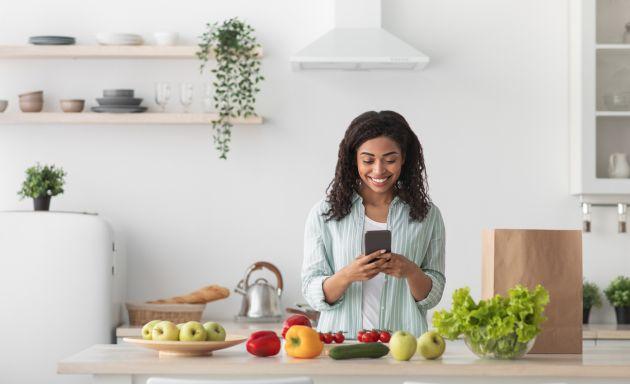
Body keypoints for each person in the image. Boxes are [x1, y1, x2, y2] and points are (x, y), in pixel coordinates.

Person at [301, 110, 445, 338]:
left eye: (390, 160)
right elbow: (311, 290)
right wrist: (348, 274)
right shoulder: (324, 213)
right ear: (353, 159)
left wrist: (409, 271)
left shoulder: (427, 215)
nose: (379, 170)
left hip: (405, 347)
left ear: (404, 159)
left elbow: (433, 294)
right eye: (368, 160)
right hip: (340, 344)